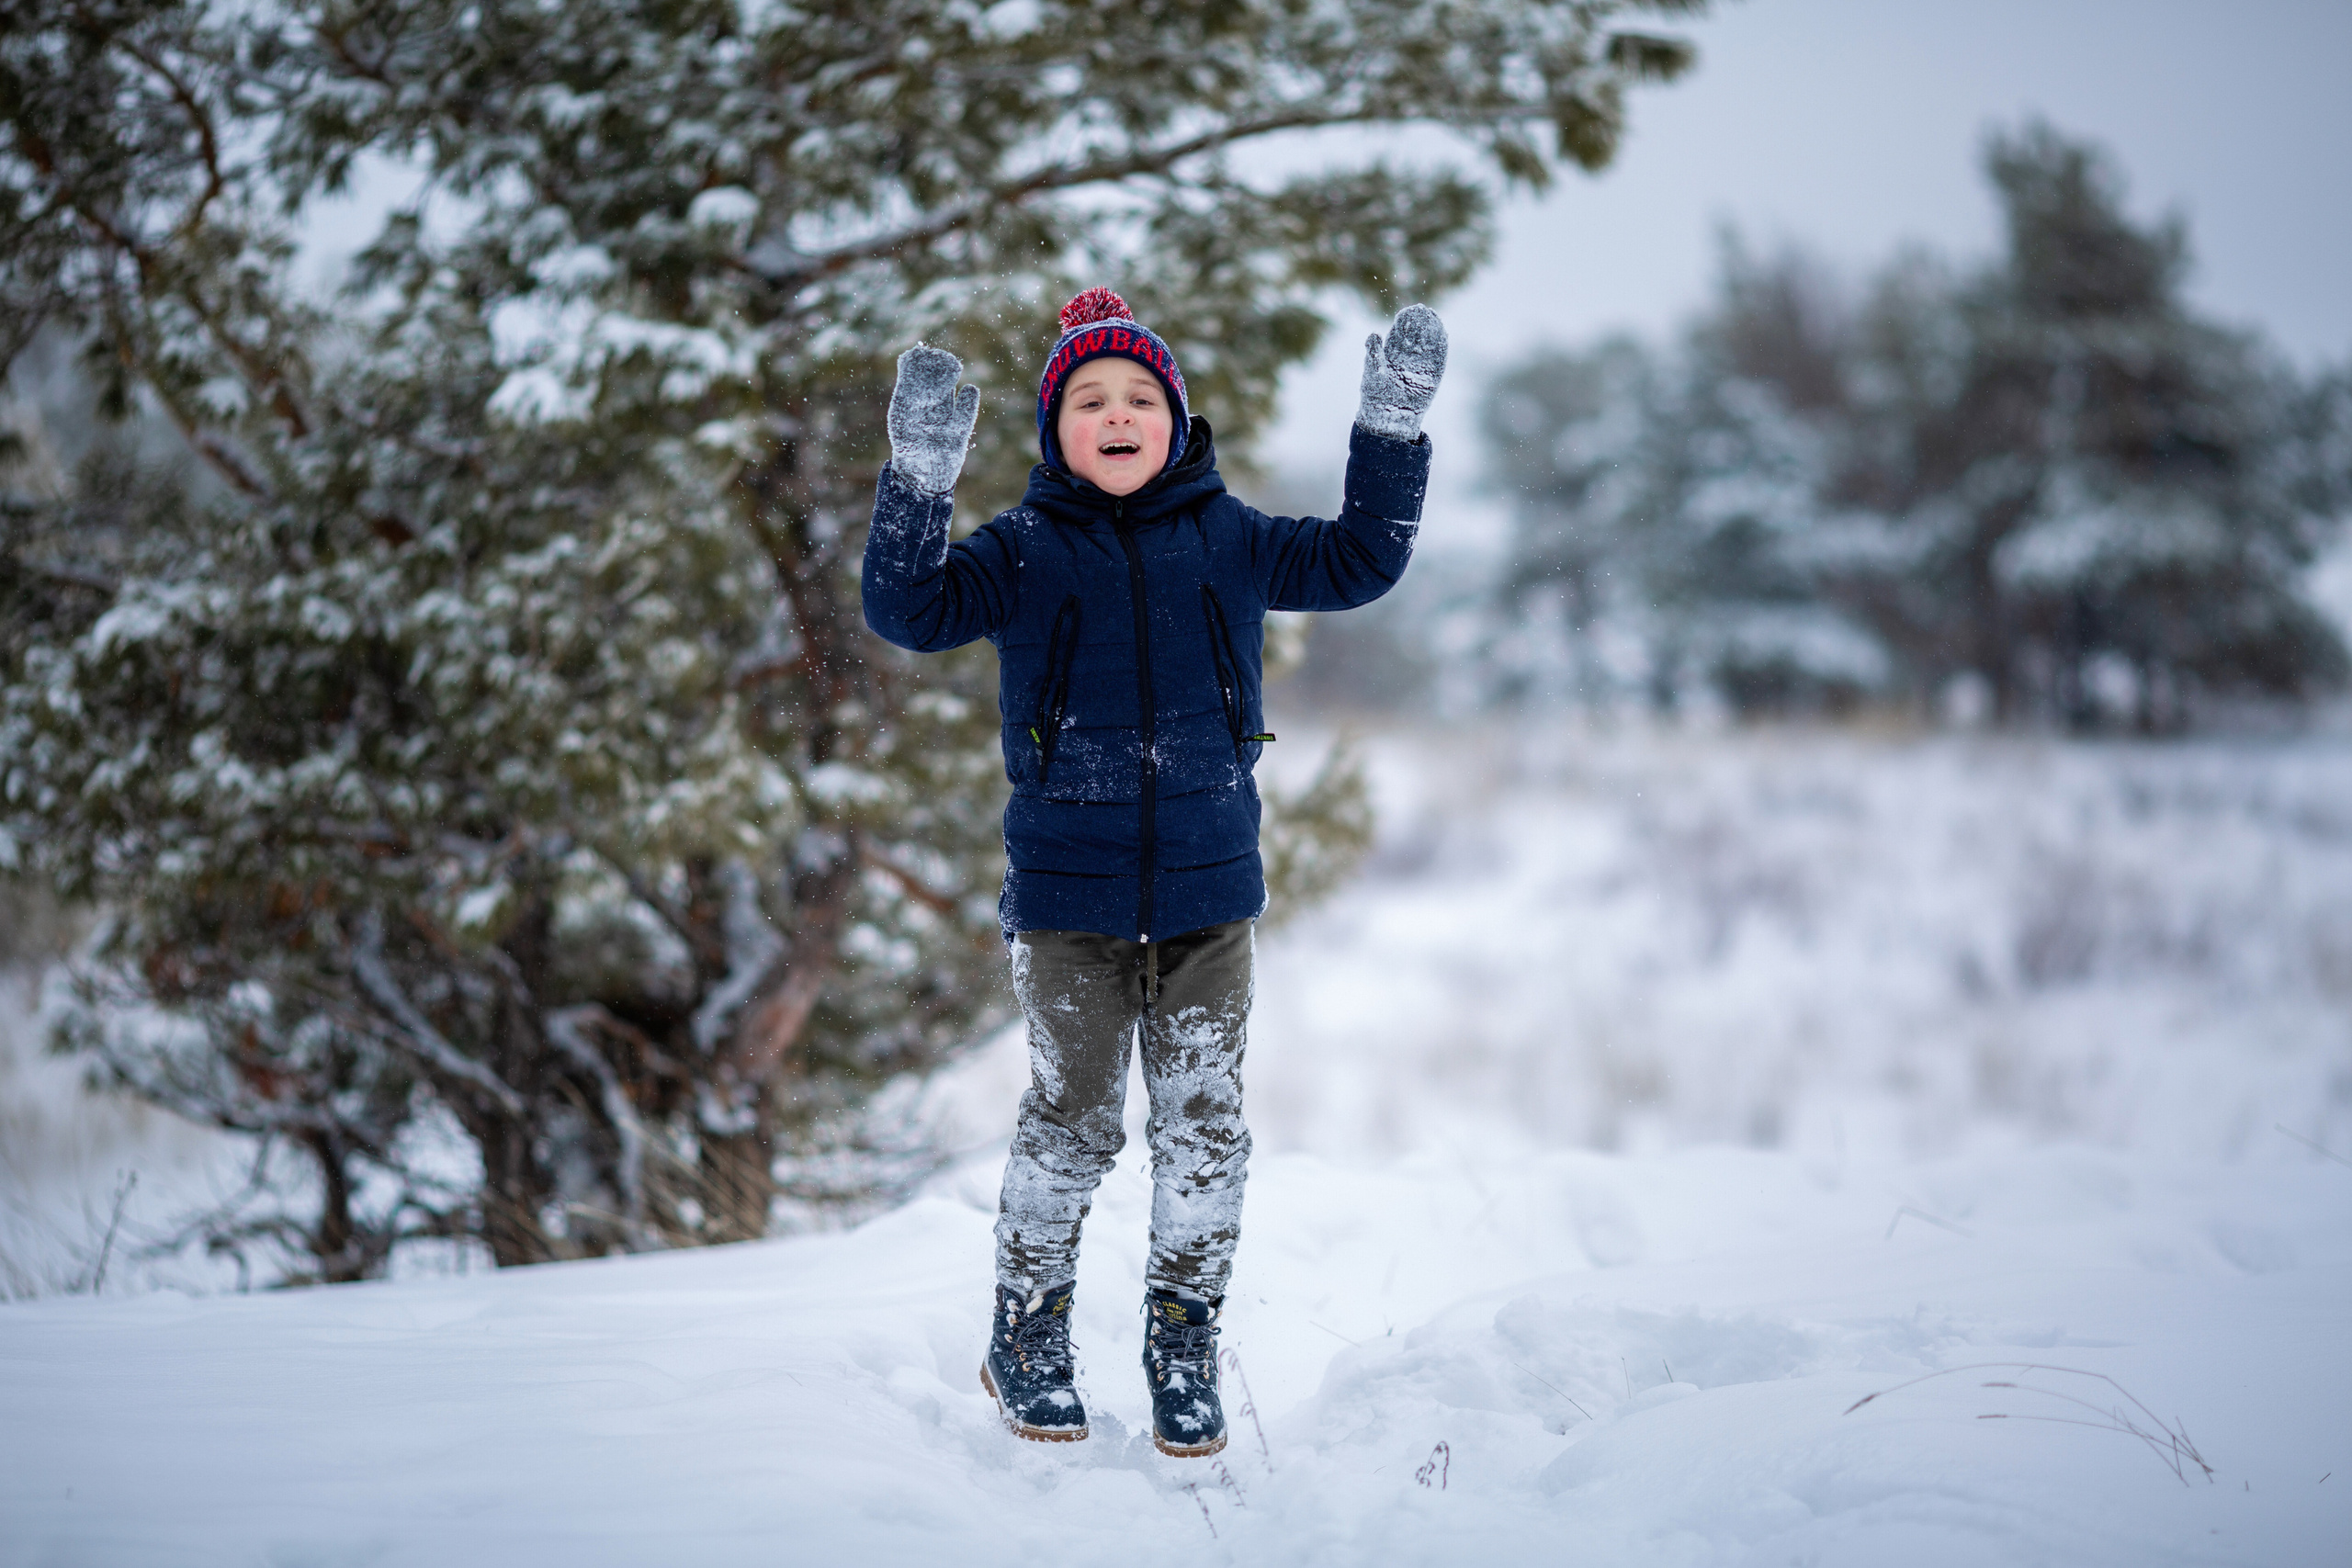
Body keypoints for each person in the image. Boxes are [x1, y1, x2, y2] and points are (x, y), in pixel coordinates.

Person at [861, 287, 1445, 1457]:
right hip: (1067, 901)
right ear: (1051, 431)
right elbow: (906, 608)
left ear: (1176, 422)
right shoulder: (1021, 553)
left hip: (1206, 895)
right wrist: (918, 478)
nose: (1117, 414)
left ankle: (1182, 1343)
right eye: (1090, 399)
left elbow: (1359, 563)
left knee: (1202, 1125)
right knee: (1072, 1121)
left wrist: (1389, 430)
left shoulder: (1229, 539)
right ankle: (1025, 1334)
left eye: (1140, 397)